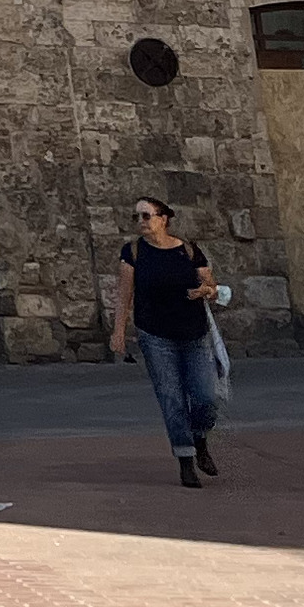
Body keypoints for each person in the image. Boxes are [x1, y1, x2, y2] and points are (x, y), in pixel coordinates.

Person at [105, 195, 225, 485]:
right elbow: (124, 295)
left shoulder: (188, 250)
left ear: (163, 218)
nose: (141, 222)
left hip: (194, 334)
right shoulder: (133, 252)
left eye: (146, 216)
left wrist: (205, 292)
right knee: (171, 397)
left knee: (207, 396)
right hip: (155, 336)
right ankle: (185, 459)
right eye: (137, 217)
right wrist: (118, 331)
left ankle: (200, 440)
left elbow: (211, 286)